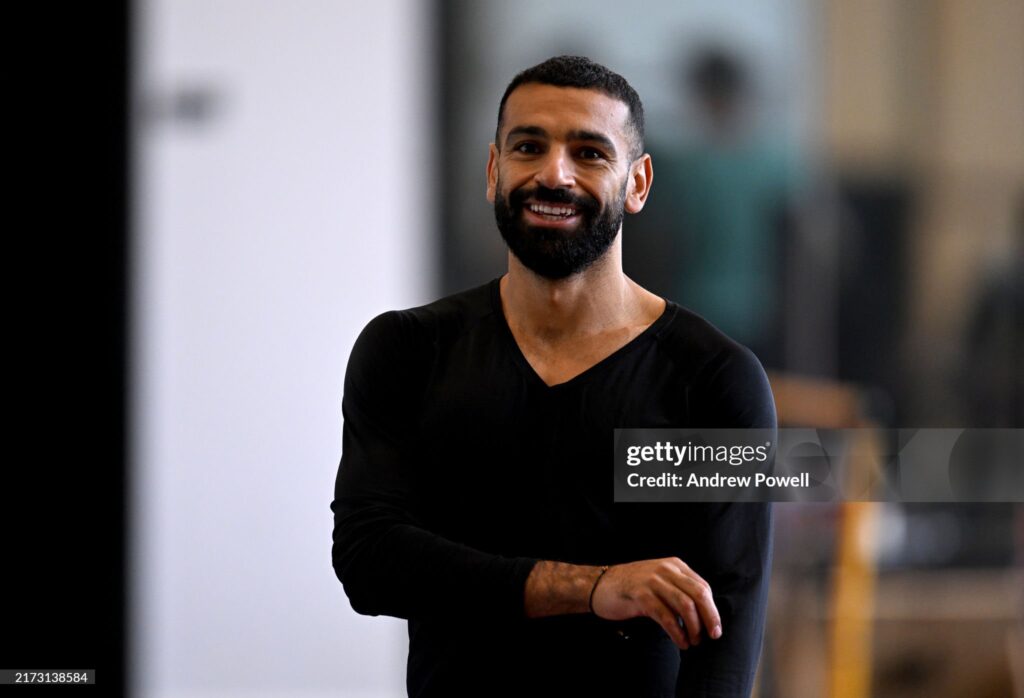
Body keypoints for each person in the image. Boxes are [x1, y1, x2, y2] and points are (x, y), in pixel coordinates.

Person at [331, 55, 775, 697]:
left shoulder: (709, 380)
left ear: (638, 183)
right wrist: (594, 589)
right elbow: (371, 563)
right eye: (528, 146)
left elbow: (722, 645)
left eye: (590, 153)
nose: (553, 174)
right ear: (493, 170)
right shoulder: (408, 351)